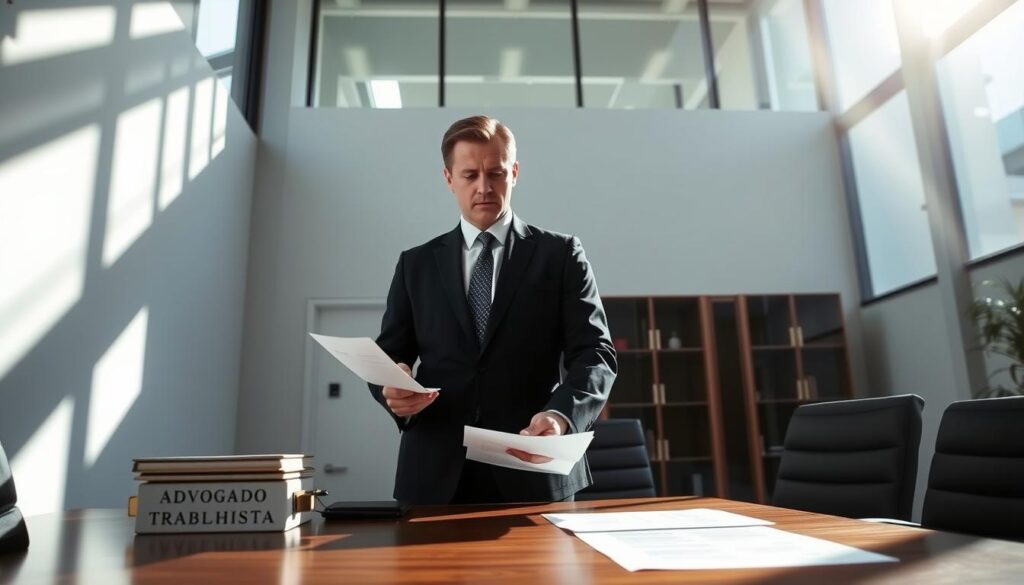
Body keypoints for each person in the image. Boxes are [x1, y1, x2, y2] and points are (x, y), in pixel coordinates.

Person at [368, 115, 616, 505]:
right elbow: (389, 354)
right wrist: (391, 386)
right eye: (469, 175)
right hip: (433, 475)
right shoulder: (415, 264)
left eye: (496, 173)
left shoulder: (561, 255)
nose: (484, 188)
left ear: (514, 172)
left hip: (533, 467)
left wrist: (561, 416)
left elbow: (596, 354)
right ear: (449, 179)